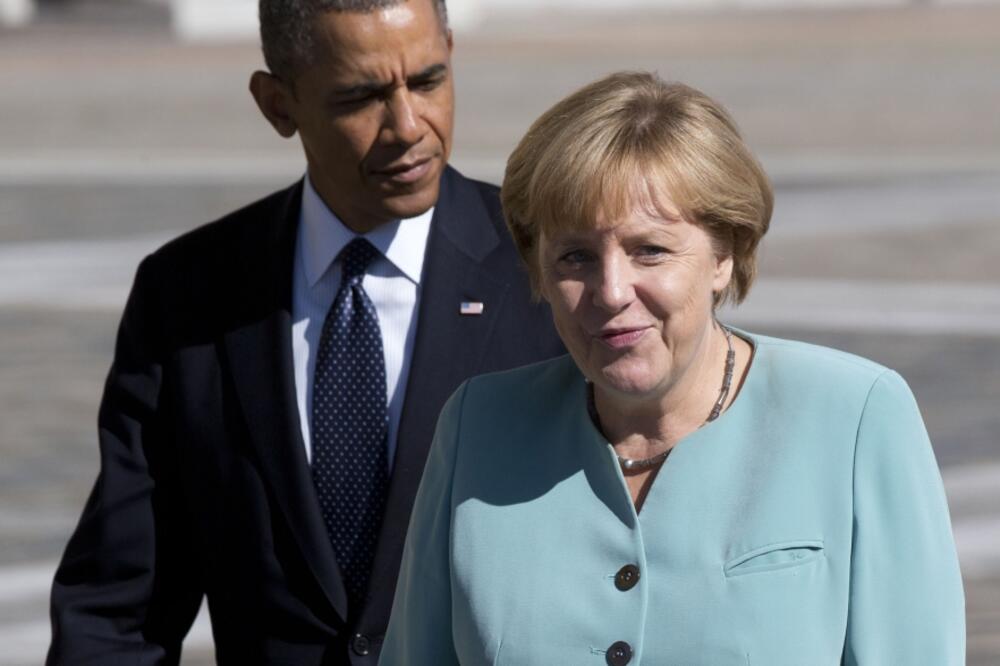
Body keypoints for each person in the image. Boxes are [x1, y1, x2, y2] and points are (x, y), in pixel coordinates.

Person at [381, 71, 966, 665]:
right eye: (575, 256)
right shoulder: (478, 425)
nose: (610, 291)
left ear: (724, 254)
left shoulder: (856, 417)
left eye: (650, 250)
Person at [46, 1, 563, 664]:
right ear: (277, 105)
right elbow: (118, 611)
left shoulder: (551, 272)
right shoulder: (187, 296)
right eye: (361, 97)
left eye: (428, 81)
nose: (408, 127)